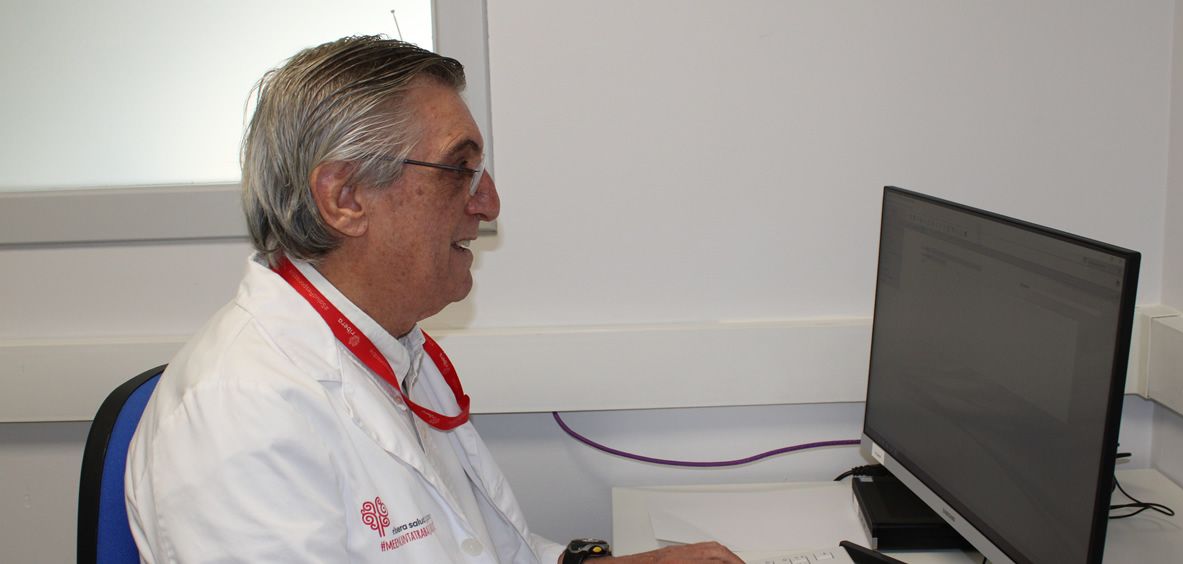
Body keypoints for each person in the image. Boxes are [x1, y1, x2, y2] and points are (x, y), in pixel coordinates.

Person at [124, 35, 743, 563]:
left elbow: (477, 547)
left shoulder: (391, 342)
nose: (489, 203)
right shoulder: (239, 421)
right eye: (459, 170)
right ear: (345, 198)